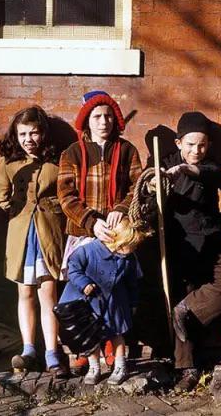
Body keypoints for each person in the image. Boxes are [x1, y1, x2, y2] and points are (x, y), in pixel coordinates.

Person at [162, 111, 221, 392]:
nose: (196, 151)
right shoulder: (164, 166)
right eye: (190, 145)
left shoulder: (210, 167)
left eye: (202, 145)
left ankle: (187, 310)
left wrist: (192, 171)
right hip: (181, 247)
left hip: (213, 244)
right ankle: (186, 369)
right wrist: (156, 185)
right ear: (179, 143)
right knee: (182, 291)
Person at [57, 90, 142, 372]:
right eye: (96, 116)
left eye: (108, 116)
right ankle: (85, 348)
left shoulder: (126, 150)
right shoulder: (72, 153)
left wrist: (122, 208)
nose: (103, 122)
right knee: (82, 293)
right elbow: (66, 196)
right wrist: (91, 222)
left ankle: (111, 347)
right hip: (85, 233)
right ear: (86, 121)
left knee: (114, 293)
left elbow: (137, 186)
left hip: (117, 235)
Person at [0, 105, 68, 375]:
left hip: (48, 231)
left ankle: (52, 353)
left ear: (43, 134)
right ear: (16, 135)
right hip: (21, 233)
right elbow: (1, 196)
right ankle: (28, 350)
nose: (28, 139)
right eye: (23, 134)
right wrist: (19, 212)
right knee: (24, 292)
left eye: (34, 133)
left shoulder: (58, 161)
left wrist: (52, 210)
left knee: (48, 292)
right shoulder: (8, 162)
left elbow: (65, 194)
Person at [58, 218, 150, 385]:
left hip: (115, 303)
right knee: (91, 337)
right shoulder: (88, 250)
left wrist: (133, 302)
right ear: (120, 242)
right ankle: (94, 367)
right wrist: (84, 283)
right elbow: (74, 268)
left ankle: (120, 365)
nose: (135, 249)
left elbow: (132, 283)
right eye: (133, 245)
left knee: (116, 334)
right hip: (91, 302)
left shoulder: (128, 258)